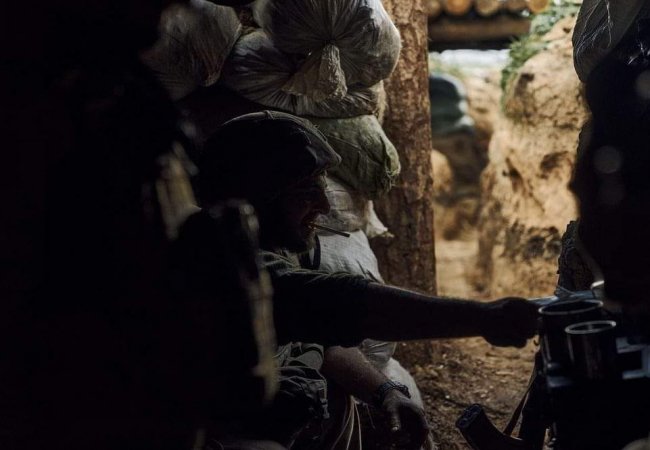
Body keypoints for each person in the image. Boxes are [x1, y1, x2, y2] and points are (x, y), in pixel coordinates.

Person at [194, 110, 538, 448]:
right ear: (254, 200)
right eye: (305, 191)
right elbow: (346, 305)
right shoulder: (219, 262)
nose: (324, 205)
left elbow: (320, 336)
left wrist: (386, 391)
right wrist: (484, 318)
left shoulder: (275, 241)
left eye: (321, 187)